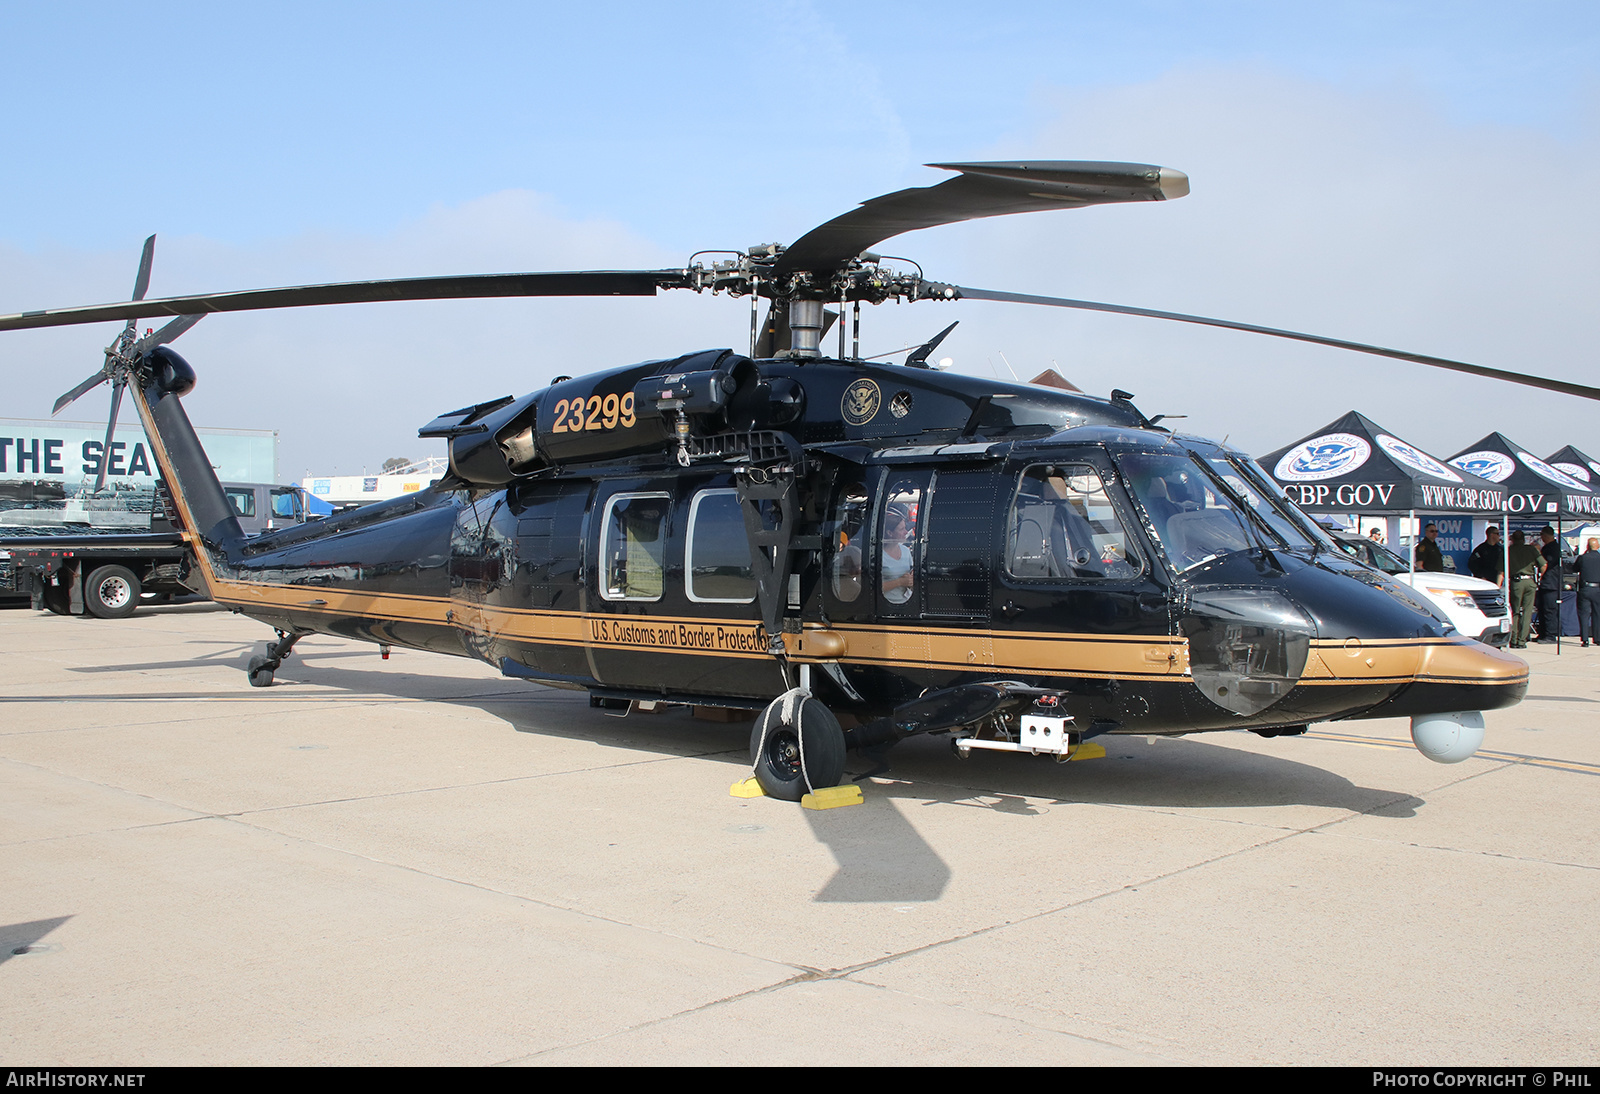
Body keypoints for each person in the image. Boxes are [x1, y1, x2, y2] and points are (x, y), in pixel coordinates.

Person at [1506, 530, 1542, 648]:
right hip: (1529, 581)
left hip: (1516, 582)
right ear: (1524, 539)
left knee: (1515, 611)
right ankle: (1522, 640)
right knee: (1527, 612)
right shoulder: (1531, 549)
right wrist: (1540, 577)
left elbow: (1501, 571)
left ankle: (1514, 639)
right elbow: (1544, 564)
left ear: (1512, 539)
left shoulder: (1508, 551)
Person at [880, 502, 915, 604]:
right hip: (886, 605)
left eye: (905, 528)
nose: (906, 532)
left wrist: (911, 580)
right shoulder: (878, 555)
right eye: (901, 529)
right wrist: (899, 582)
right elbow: (869, 586)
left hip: (905, 603)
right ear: (889, 533)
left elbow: (911, 574)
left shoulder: (906, 551)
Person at [1536, 526, 1563, 642]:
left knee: (1549, 610)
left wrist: (1538, 553)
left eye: (1542, 535)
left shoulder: (1554, 548)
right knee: (1542, 609)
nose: (1541, 538)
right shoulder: (1547, 547)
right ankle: (1542, 633)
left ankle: (1550, 635)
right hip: (1545, 583)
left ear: (1546, 535)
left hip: (1551, 584)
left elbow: (1548, 564)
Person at [1577, 538, 1600, 647]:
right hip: (1597, 589)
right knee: (1597, 614)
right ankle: (1597, 638)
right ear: (1598, 546)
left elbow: (1575, 568)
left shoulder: (1583, 558)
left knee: (1584, 614)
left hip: (1585, 588)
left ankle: (1585, 639)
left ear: (1588, 546)